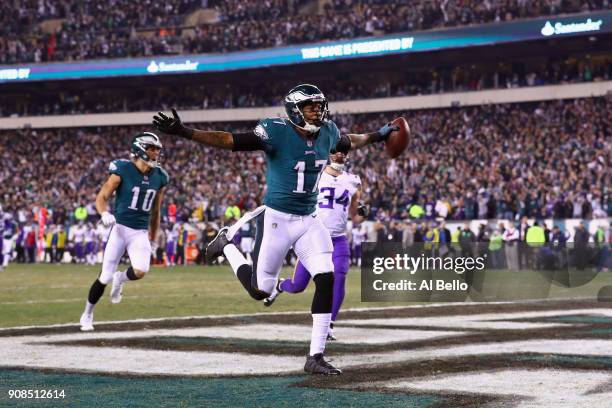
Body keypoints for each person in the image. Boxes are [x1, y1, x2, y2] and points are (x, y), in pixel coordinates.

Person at [153, 83, 400, 375]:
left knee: (326, 276)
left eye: (320, 106)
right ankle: (227, 246)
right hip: (278, 219)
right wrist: (185, 132)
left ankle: (315, 356)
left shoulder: (328, 132)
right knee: (261, 291)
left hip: (309, 220)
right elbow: (230, 140)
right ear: (295, 110)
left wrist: (379, 136)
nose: (318, 111)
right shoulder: (276, 131)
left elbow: (351, 141)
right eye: (311, 106)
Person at [262, 139, 368, 341]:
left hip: (338, 240)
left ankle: (328, 324)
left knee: (339, 278)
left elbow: (355, 215)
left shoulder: (354, 180)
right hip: (314, 238)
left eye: (344, 152)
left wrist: (363, 213)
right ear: (329, 153)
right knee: (298, 285)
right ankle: (279, 286)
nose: (340, 155)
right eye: (336, 151)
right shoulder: (316, 175)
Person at [79, 132, 168, 331]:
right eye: (152, 148)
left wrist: (153, 238)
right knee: (104, 277)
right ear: (140, 149)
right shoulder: (122, 170)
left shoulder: (160, 177)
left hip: (139, 232)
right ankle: (87, 314)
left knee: (141, 270)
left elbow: (156, 212)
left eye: (156, 149)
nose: (155, 153)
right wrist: (103, 214)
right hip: (119, 229)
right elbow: (102, 196)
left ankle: (121, 278)